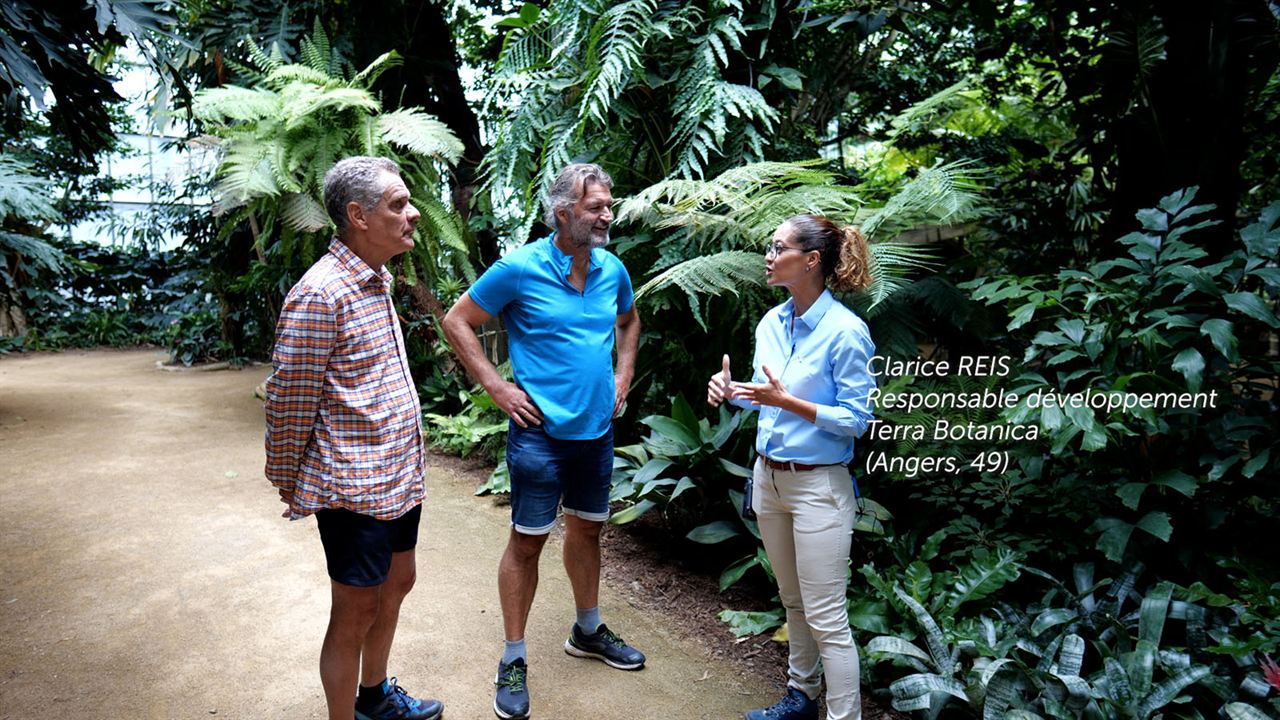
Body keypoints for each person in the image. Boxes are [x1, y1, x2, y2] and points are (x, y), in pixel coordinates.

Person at [441, 163, 644, 720]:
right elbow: (458, 320)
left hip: (596, 433)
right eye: (596, 208)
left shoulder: (613, 269)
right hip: (538, 435)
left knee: (587, 532)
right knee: (527, 543)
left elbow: (629, 322)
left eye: (609, 205)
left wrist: (623, 376)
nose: (608, 215)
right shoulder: (519, 268)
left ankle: (586, 630)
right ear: (563, 214)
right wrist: (496, 386)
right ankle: (512, 656)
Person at [264, 156, 443, 720]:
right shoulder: (321, 293)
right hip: (352, 488)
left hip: (397, 478)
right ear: (358, 215)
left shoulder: (376, 279)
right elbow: (289, 401)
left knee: (399, 582)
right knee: (355, 609)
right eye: (398, 204)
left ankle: (375, 698)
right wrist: (290, 479)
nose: (412, 214)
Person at [707, 214, 876, 720]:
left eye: (778, 247)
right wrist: (732, 394)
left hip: (819, 487)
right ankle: (800, 698)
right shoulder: (770, 323)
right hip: (769, 479)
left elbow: (858, 420)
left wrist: (790, 401)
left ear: (811, 260)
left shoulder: (848, 333)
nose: (768, 254)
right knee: (794, 603)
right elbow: (766, 401)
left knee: (827, 617)